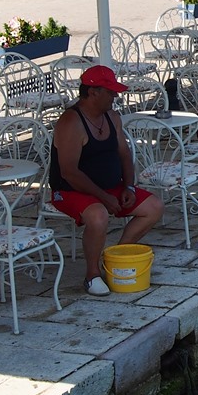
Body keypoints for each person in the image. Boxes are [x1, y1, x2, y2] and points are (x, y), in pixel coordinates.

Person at [50, 66, 164, 296]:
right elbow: (69, 172)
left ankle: (115, 257)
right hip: (71, 190)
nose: (115, 97)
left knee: (154, 207)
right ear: (93, 92)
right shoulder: (71, 122)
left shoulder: (112, 117)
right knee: (98, 214)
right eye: (110, 92)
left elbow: (124, 154)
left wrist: (129, 186)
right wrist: (105, 198)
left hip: (110, 187)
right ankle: (92, 275)